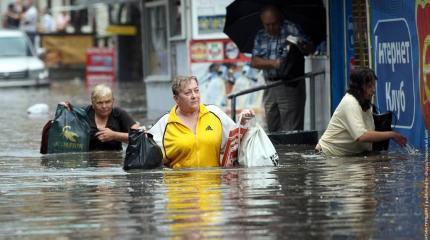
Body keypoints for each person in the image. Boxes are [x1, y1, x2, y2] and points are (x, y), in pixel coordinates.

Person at [147, 75, 255, 168]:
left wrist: (244, 121)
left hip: (213, 188)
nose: (194, 96)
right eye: (188, 93)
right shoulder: (165, 123)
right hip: (179, 188)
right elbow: (150, 161)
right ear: (176, 99)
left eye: (196, 90)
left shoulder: (214, 113)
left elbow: (236, 143)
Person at [316, 67, 407, 156]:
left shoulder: (365, 103)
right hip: (327, 155)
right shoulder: (350, 103)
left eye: (373, 85)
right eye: (369, 86)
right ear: (358, 88)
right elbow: (362, 136)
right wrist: (391, 134)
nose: (373, 90)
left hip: (349, 156)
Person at [251, 5, 308, 132]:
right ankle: (276, 151)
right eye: (267, 25)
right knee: (272, 125)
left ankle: (292, 151)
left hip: (289, 84)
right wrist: (274, 63)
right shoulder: (261, 35)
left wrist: (297, 45)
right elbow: (254, 61)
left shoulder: (291, 28)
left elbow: (307, 49)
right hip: (270, 84)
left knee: (291, 127)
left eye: (274, 24)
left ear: (280, 19)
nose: (271, 28)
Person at [61, 84, 140, 151]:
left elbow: (140, 136)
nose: (104, 106)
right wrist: (64, 109)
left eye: (108, 102)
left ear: (113, 101)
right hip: (89, 165)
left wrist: (114, 135)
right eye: (100, 103)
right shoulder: (83, 114)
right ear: (93, 103)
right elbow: (63, 129)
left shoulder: (119, 114)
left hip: (115, 164)